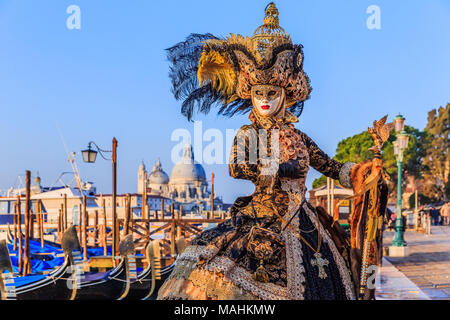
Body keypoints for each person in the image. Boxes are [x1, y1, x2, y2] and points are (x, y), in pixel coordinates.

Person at [157, 3, 389, 300]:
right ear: (250, 94)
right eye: (258, 93)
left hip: (304, 223)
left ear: (286, 94)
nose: (264, 100)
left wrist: (364, 173)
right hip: (261, 216)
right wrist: (275, 169)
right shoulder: (248, 134)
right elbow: (236, 167)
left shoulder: (300, 137)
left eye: (272, 93)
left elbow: (331, 167)